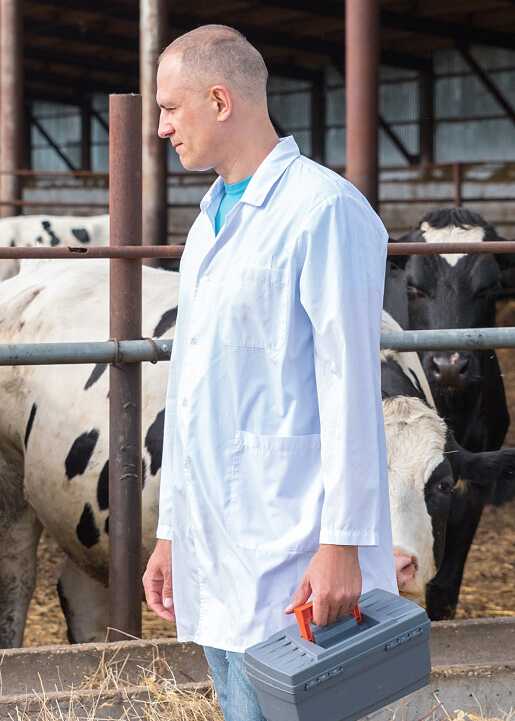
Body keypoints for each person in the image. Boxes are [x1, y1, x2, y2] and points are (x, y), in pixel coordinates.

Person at [141, 25, 399, 721]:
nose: (160, 127)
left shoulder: (323, 211)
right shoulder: (207, 222)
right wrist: (171, 534)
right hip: (217, 543)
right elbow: (191, 392)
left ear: (219, 100)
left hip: (295, 552)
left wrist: (342, 543)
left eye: (169, 108)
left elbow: (349, 388)